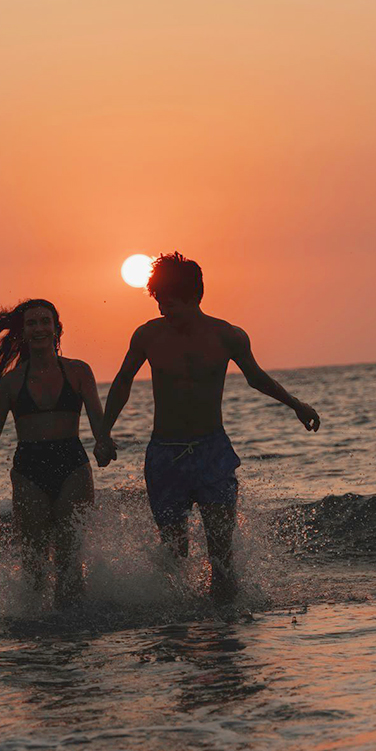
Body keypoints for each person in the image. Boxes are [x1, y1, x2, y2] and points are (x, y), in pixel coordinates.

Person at [94, 252, 320, 603]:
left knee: (220, 547)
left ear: (194, 297)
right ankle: (176, 619)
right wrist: (104, 434)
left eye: (170, 304)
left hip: (212, 451)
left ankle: (225, 617)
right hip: (165, 454)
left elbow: (256, 378)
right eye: (158, 304)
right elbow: (123, 382)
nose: (162, 312)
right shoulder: (147, 336)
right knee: (174, 548)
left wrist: (297, 405)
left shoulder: (227, 335)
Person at [0, 299, 114, 607]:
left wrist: (103, 443)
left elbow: (97, 418)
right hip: (29, 469)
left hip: (73, 465)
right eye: (31, 323)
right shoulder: (12, 382)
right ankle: (37, 635)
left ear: (56, 329)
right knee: (34, 563)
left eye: (45, 321)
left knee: (69, 558)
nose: (39, 328)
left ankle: (73, 628)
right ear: (23, 332)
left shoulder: (79, 371)